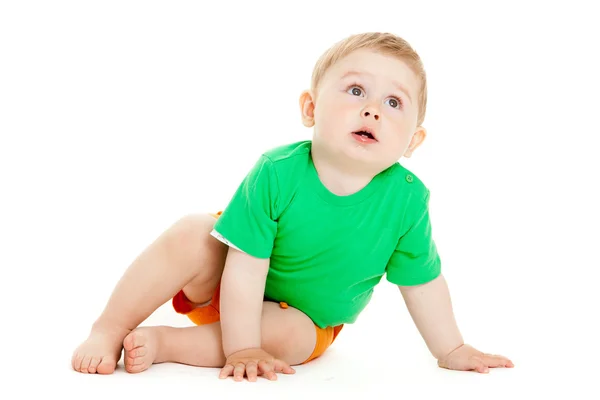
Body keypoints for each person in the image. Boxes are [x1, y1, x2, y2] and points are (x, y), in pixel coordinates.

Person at [71, 32, 514, 381]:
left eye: (393, 102)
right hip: (231, 278)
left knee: (294, 336)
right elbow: (245, 266)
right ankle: (109, 326)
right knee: (193, 231)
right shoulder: (279, 170)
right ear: (311, 108)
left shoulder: (407, 200)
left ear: (413, 140)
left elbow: (423, 284)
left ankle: (167, 345)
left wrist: (452, 349)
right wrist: (242, 347)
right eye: (356, 90)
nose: (372, 111)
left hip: (305, 317)